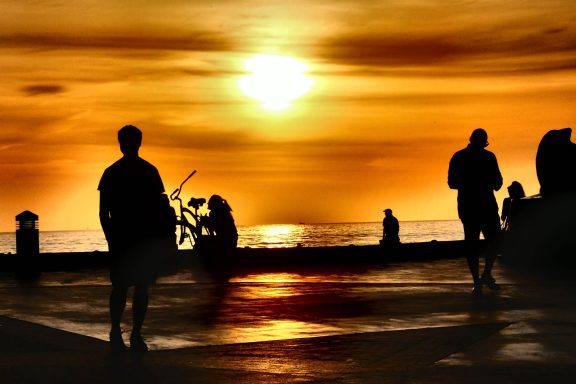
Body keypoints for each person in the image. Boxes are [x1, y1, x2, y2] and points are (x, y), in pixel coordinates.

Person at [98, 125, 166, 352]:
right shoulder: (149, 171)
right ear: (139, 143)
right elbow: (160, 210)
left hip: (125, 240)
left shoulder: (111, 172)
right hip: (140, 241)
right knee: (140, 288)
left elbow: (103, 212)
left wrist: (110, 238)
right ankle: (134, 333)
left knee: (121, 288)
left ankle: (118, 330)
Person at [448, 128, 503, 295]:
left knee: (474, 244)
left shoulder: (459, 156)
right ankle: (482, 277)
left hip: (470, 206)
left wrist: (469, 183)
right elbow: (498, 183)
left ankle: (479, 279)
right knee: (491, 241)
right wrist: (483, 182)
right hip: (482, 206)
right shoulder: (488, 157)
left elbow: (452, 183)